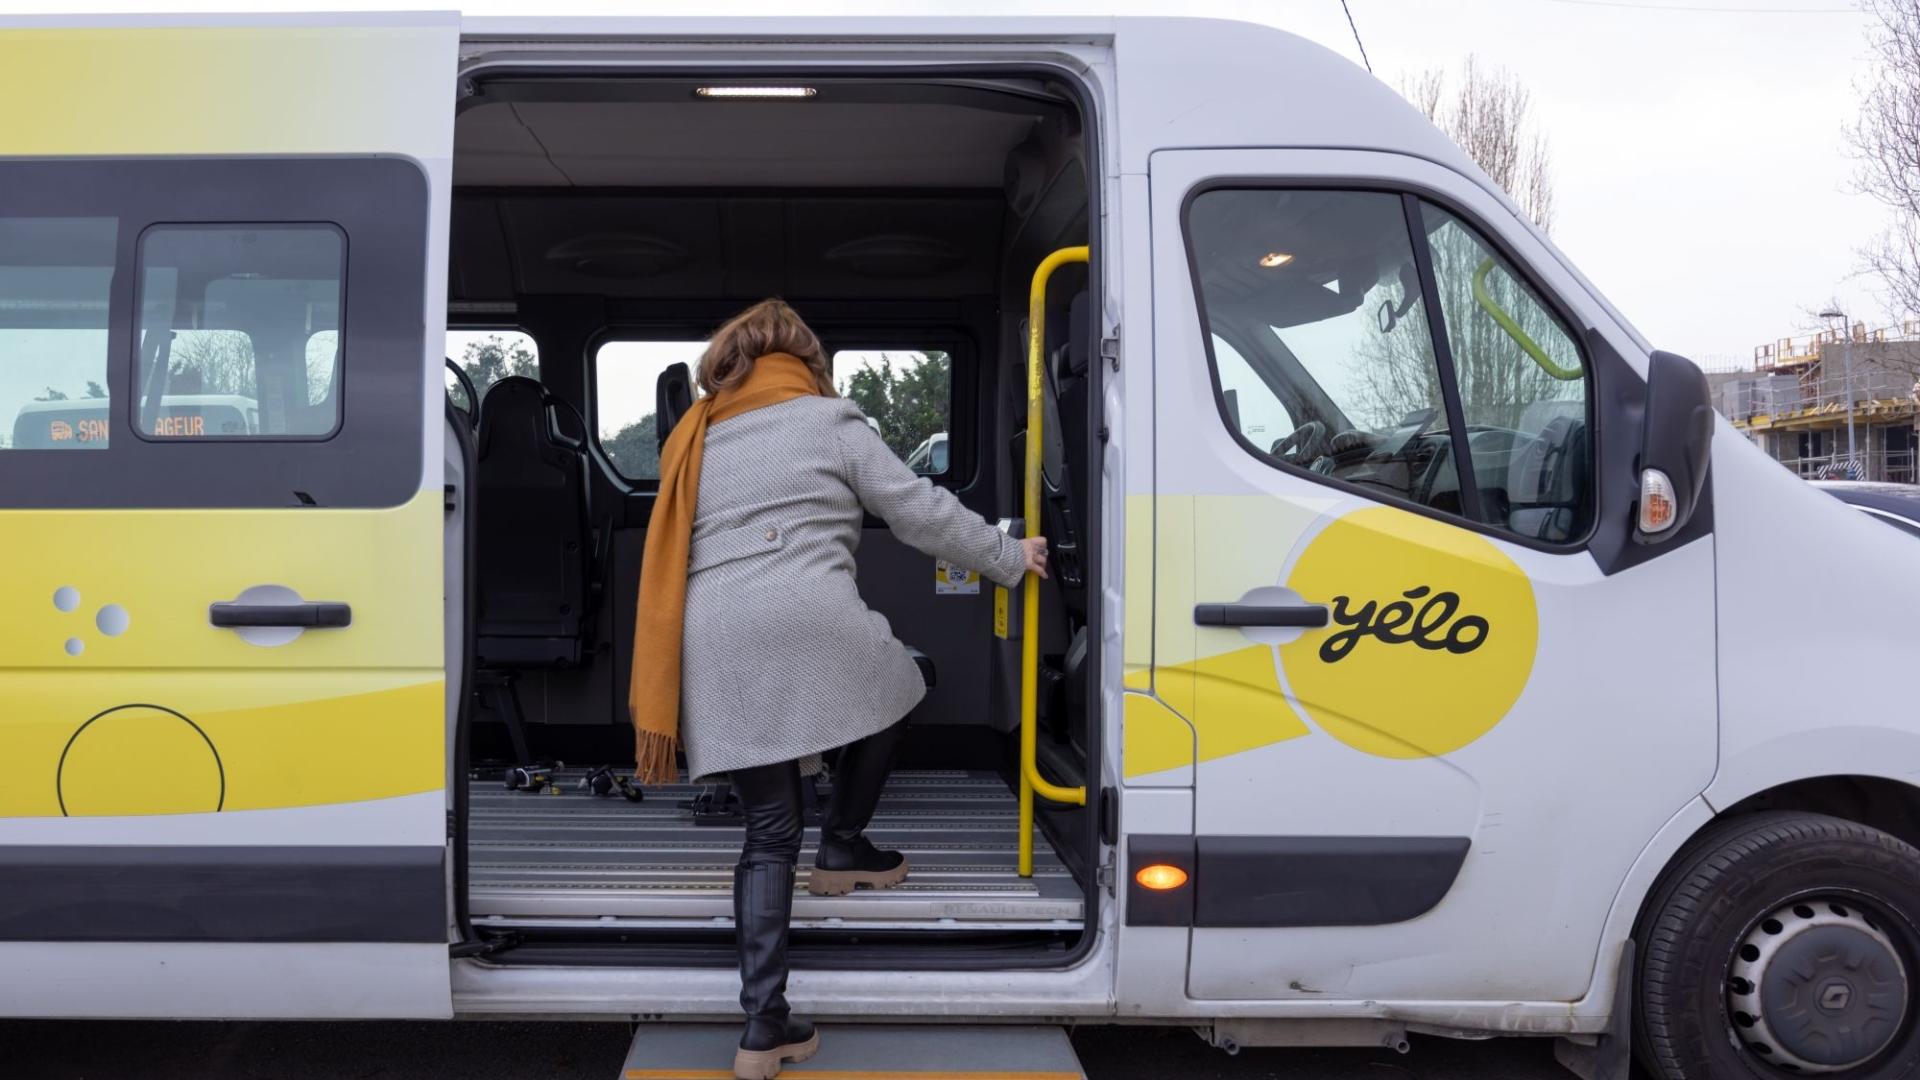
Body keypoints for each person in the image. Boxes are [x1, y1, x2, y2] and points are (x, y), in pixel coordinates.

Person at [628, 298, 1048, 1080]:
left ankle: (764, 1026)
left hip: (710, 631)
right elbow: (916, 510)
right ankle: (845, 839)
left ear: (728, 365)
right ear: (806, 362)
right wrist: (1006, 555)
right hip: (806, 614)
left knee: (768, 830)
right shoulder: (829, 421)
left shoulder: (698, 434)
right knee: (905, 679)